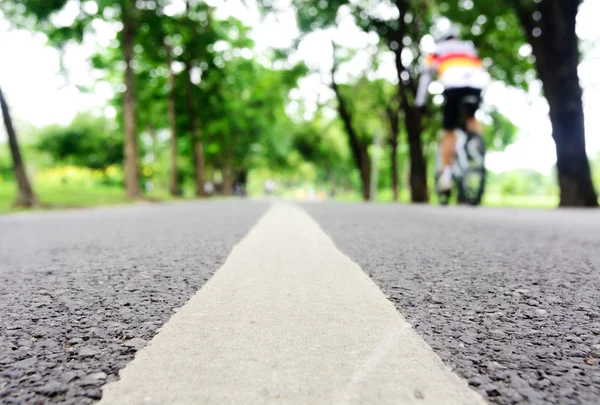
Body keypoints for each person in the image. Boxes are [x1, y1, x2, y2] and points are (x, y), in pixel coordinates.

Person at [415, 23, 490, 192]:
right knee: (470, 117)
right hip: (477, 85)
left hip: (454, 87)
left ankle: (446, 177)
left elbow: (426, 76)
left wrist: (420, 103)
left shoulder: (437, 50)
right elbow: (481, 69)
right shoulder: (468, 48)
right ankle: (475, 147)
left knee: (449, 131)